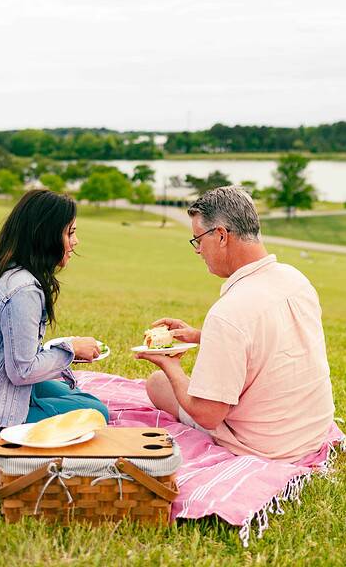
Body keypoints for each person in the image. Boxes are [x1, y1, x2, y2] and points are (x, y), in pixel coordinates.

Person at [136, 186, 335, 462]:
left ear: (220, 236)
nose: (197, 251)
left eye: (197, 240)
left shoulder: (229, 312)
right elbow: (270, 341)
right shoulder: (296, 280)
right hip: (311, 431)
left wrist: (170, 367)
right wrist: (199, 336)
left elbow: (208, 415)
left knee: (157, 384)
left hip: (265, 447)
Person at [0, 190, 108, 437]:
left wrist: (64, 349)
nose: (75, 241)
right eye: (70, 232)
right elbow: (23, 371)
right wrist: (70, 351)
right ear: (46, 235)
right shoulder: (23, 289)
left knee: (76, 395)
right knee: (96, 411)